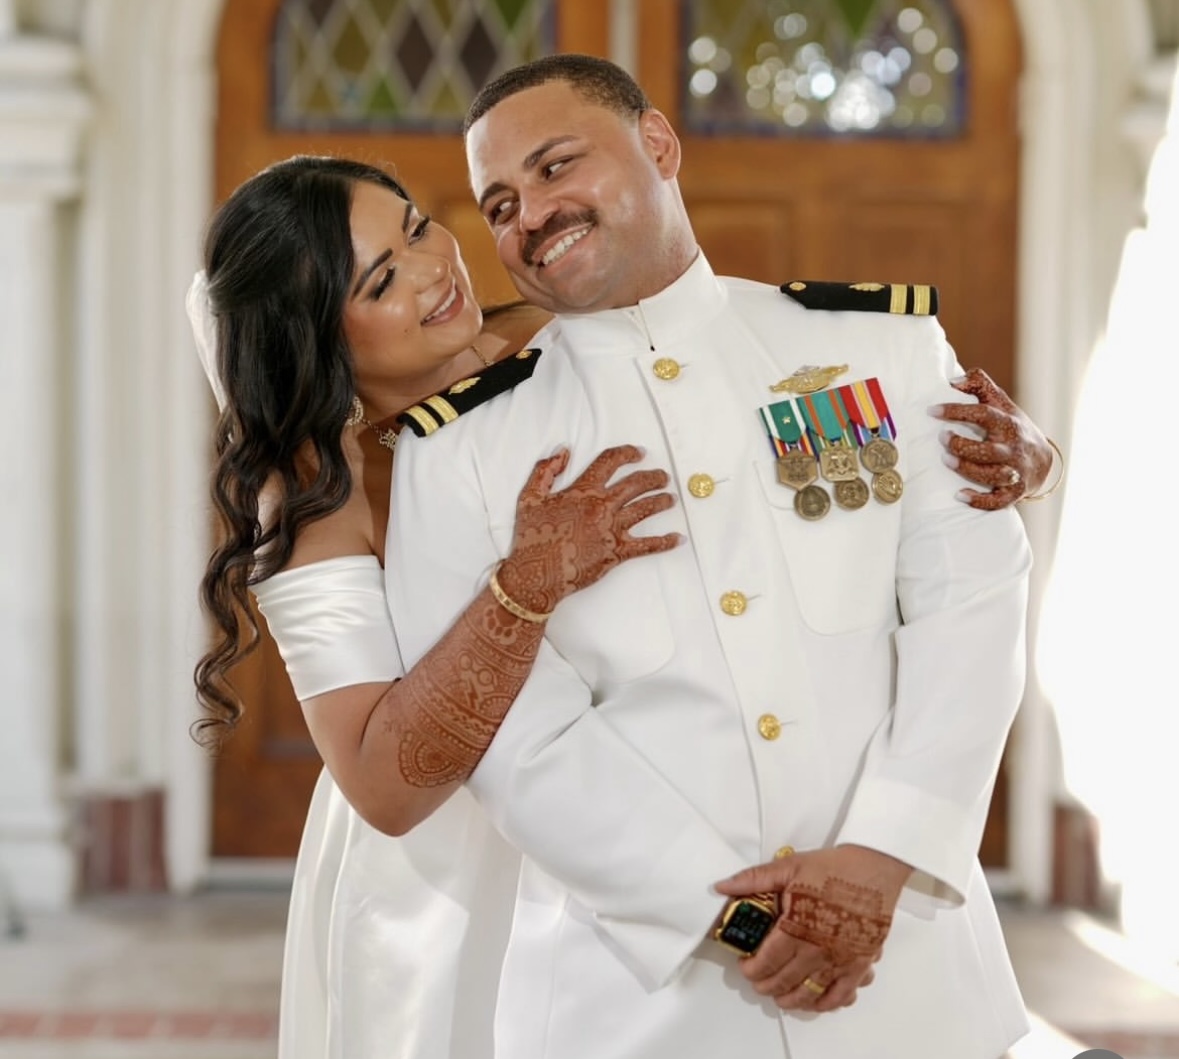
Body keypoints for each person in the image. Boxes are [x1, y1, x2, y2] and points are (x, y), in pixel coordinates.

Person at [190, 154, 1053, 1056]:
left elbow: (755, 472)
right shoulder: (320, 496)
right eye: (381, 280)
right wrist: (525, 586)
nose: (434, 271)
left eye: (415, 228)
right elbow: (381, 785)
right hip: (472, 864)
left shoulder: (555, 338)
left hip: (670, 790)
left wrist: (1024, 461)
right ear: (313, 339)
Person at [382, 54, 1035, 1059]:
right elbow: (515, 737)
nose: (531, 215)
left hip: (913, 990)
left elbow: (972, 604)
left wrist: (880, 855)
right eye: (501, 202)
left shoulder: (880, 348)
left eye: (558, 167)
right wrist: (732, 918)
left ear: (657, 144)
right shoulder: (460, 444)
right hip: (633, 1012)